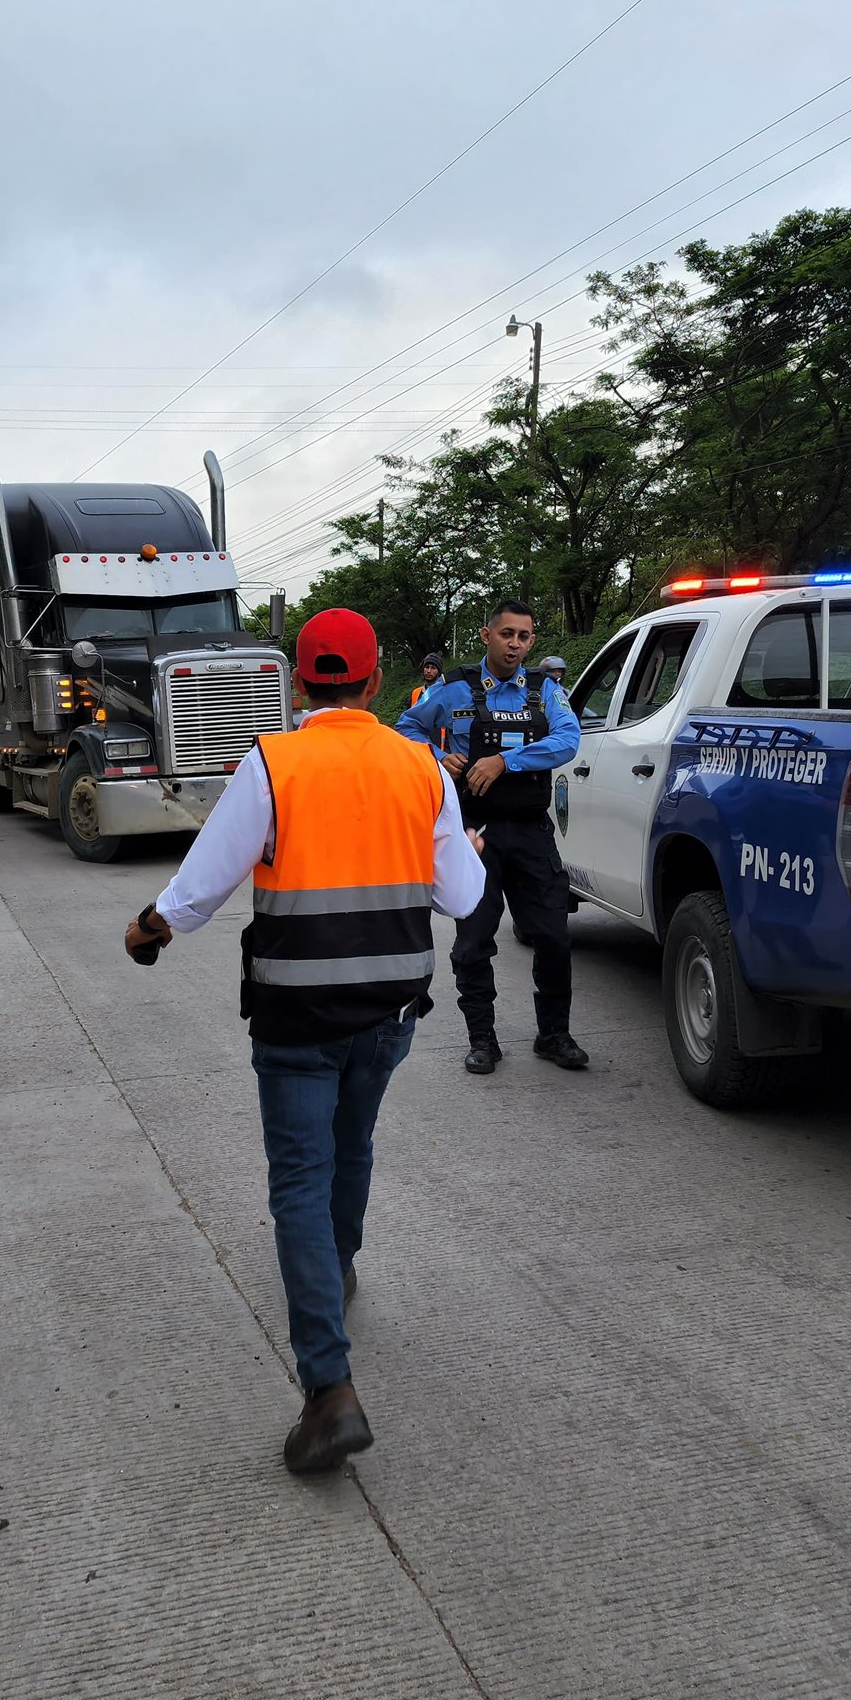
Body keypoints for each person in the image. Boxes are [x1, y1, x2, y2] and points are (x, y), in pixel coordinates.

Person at [123, 607, 485, 1475]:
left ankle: (329, 1387)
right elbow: (463, 900)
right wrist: (460, 847)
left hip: (295, 1019)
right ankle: (342, 1264)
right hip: (389, 1015)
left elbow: (204, 881)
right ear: (373, 678)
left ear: (298, 681)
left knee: (298, 1179)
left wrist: (149, 928)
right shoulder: (421, 766)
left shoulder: (273, 762)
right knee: (350, 1145)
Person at [398, 601, 588, 1074]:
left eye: (524, 637)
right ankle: (482, 1039)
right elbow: (406, 730)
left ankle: (554, 1035)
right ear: (487, 636)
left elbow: (569, 739)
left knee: (553, 937)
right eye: (507, 634)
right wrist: (436, 757)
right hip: (474, 832)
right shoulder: (455, 686)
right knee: (474, 942)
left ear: (532, 641)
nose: (515, 644)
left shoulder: (546, 691)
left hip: (530, 829)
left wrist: (506, 761)